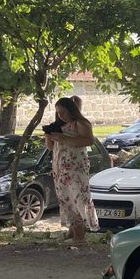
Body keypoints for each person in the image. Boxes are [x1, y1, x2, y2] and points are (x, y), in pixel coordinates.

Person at [44, 97, 98, 244]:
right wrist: (49, 136)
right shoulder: (60, 126)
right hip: (60, 168)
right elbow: (50, 147)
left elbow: (88, 141)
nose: (61, 115)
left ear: (71, 110)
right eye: (58, 113)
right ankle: (73, 232)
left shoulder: (80, 124)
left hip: (75, 168)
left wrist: (63, 138)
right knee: (66, 199)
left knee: (77, 197)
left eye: (63, 112)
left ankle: (80, 237)